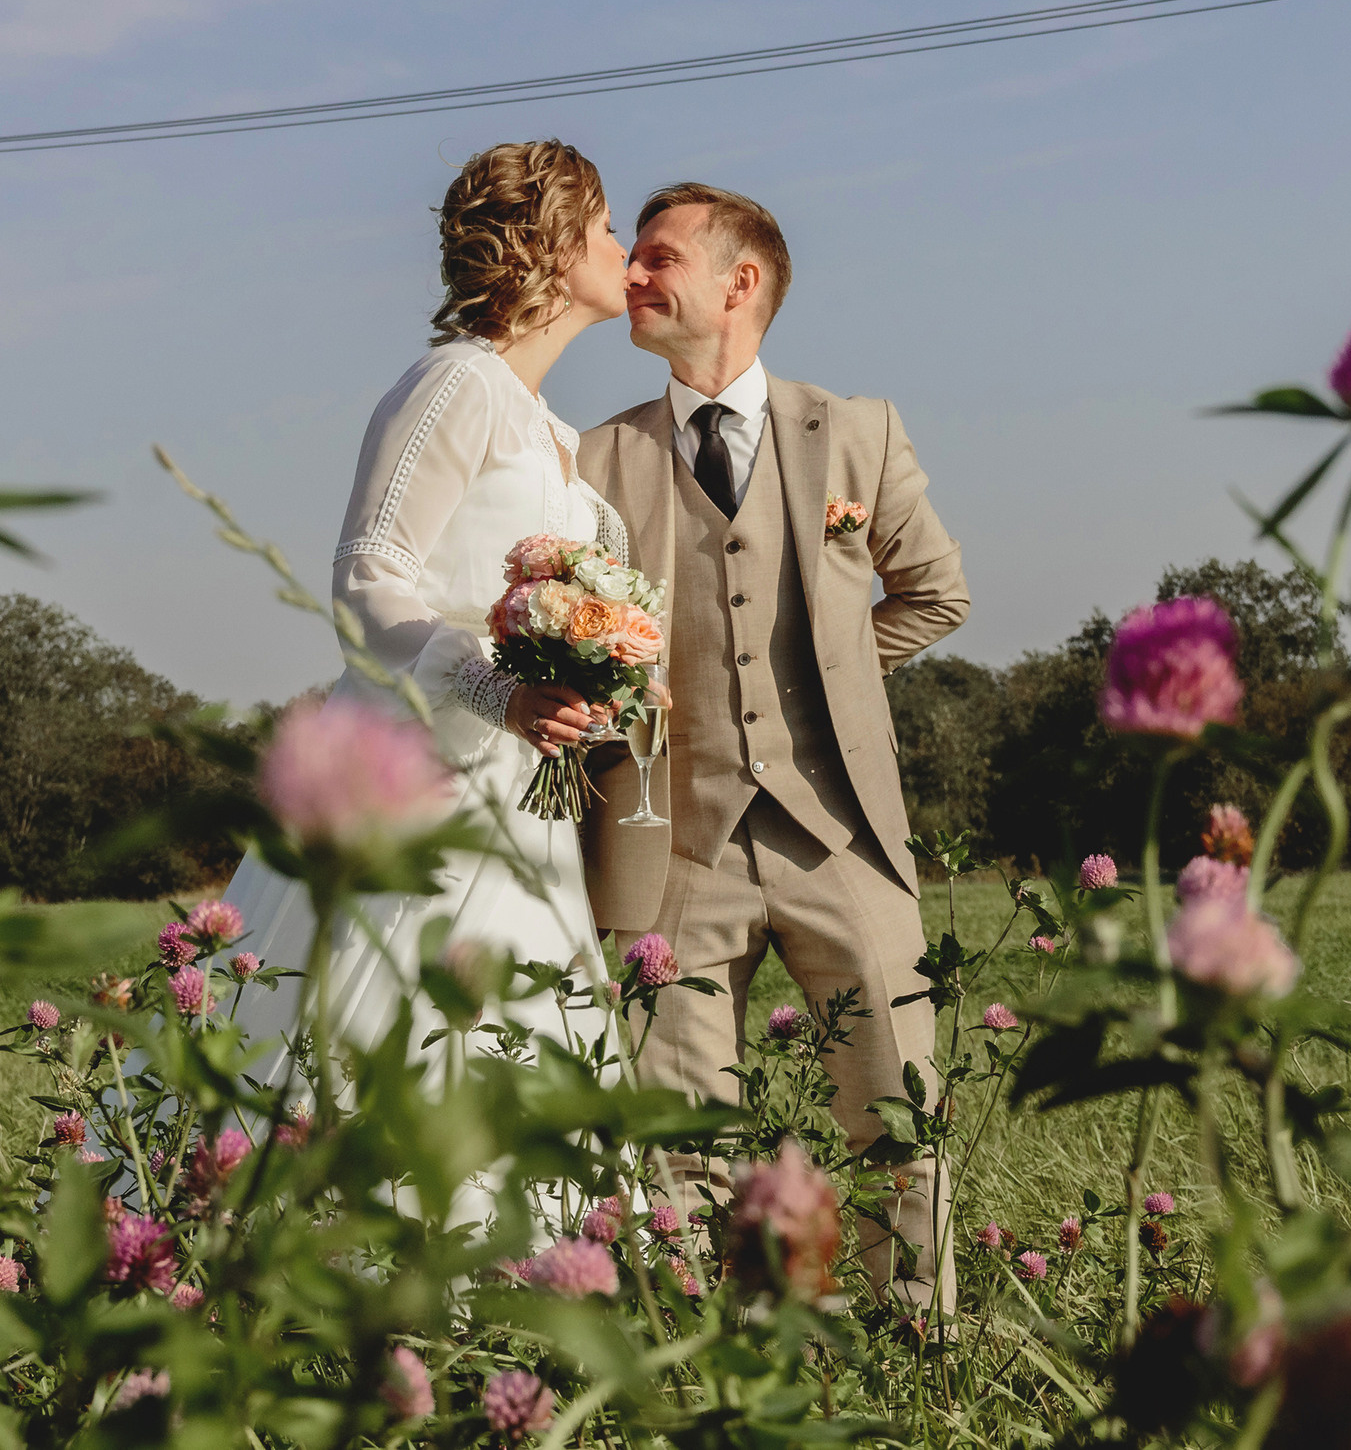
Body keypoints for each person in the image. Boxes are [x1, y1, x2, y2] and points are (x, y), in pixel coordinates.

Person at [575, 182, 969, 1307]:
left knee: (901, 1118)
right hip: (673, 846)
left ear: (738, 282)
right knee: (678, 1144)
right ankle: (719, 1364)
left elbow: (937, 594)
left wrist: (836, 674)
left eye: (658, 257)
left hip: (841, 836)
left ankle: (924, 1359)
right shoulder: (594, 459)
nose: (631, 274)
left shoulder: (857, 431)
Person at [220, 139, 630, 1078]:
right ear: (553, 242)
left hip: (519, 793)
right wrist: (496, 691)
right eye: (607, 227)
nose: (625, 249)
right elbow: (367, 581)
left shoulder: (549, 426)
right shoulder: (458, 382)